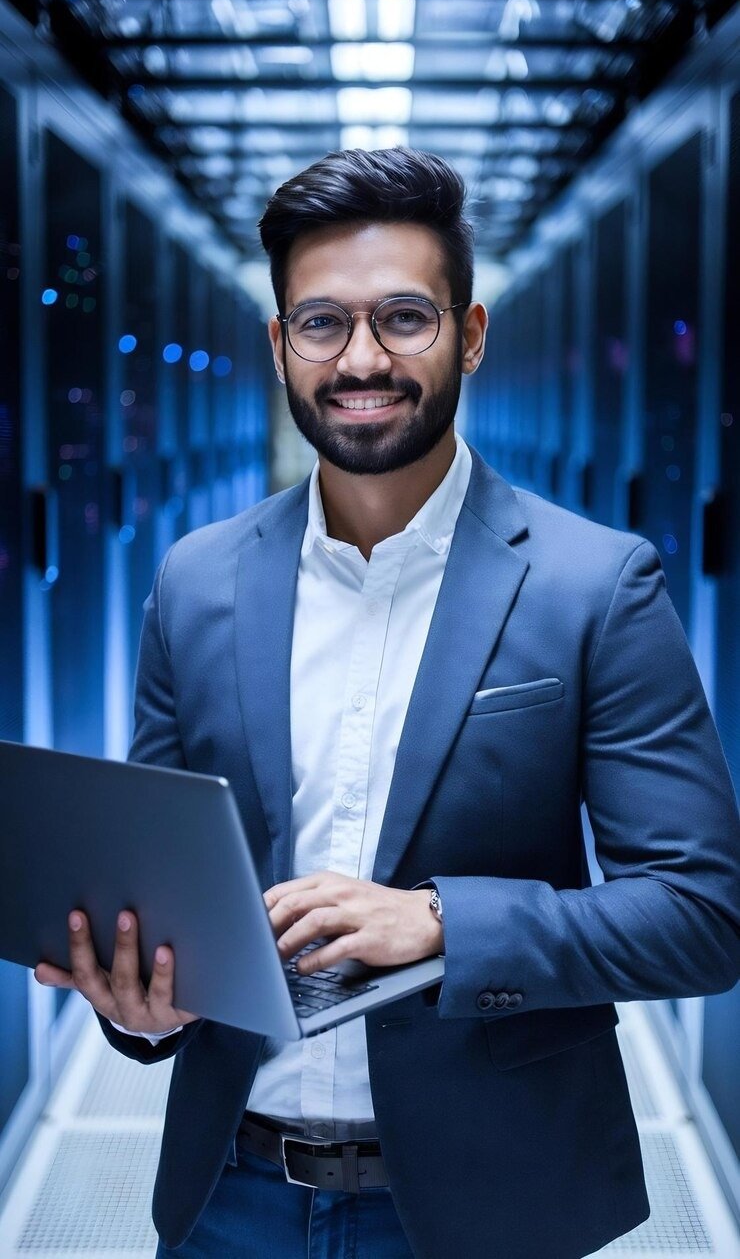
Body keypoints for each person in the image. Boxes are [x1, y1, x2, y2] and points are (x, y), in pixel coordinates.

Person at [35, 148, 740, 1259]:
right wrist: (137, 998)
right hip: (233, 1193)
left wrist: (443, 923)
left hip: (486, 1203)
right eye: (319, 323)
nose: (360, 358)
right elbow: (165, 891)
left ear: (468, 333)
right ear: (278, 347)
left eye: (402, 317)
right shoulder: (196, 580)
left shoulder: (592, 583)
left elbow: (701, 912)